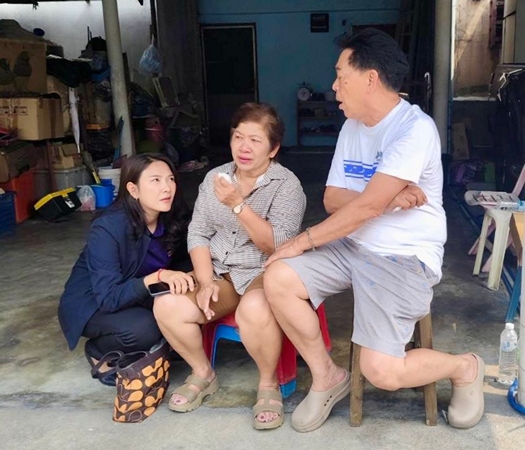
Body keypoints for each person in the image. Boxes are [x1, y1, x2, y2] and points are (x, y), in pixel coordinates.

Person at [264, 28, 485, 432]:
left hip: (402, 257)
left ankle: (464, 367)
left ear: (370, 78)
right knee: (278, 277)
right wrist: (385, 197)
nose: (334, 86)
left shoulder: (413, 129)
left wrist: (305, 239)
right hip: (353, 246)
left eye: (340, 76)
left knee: (382, 371)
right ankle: (327, 377)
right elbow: (333, 199)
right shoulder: (352, 126)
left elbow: (364, 207)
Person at [153, 102, 306, 430]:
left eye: (255, 140)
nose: (244, 147)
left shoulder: (287, 185)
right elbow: (198, 231)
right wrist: (205, 279)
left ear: (273, 149)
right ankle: (203, 373)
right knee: (167, 305)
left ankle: (268, 384)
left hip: (263, 271)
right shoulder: (215, 177)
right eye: (238, 137)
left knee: (255, 308)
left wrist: (238, 205)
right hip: (220, 269)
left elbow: (277, 244)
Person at [58, 153, 192, 386]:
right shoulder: (108, 228)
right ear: (133, 189)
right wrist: (157, 277)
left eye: (170, 179)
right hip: (94, 302)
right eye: (155, 180)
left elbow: (183, 259)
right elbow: (108, 297)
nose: (167, 188)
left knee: (185, 306)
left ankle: (157, 346)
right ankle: (99, 351)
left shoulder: (171, 217)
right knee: (145, 329)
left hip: (138, 294)